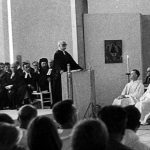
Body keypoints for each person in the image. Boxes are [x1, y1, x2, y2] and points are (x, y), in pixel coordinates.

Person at [51, 41, 82, 106]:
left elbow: (72, 62)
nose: (64, 46)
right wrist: (60, 70)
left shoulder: (66, 53)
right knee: (59, 90)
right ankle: (59, 104)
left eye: (65, 45)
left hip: (66, 73)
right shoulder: (57, 53)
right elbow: (57, 64)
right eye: (63, 45)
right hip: (59, 75)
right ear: (59, 46)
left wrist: (80, 68)